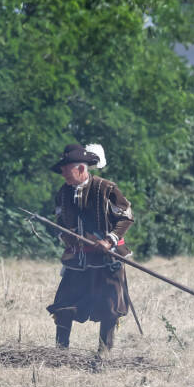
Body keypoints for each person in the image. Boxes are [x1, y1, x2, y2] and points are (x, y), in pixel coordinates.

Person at [45, 143, 134, 354]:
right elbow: (60, 223)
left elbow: (126, 218)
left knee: (109, 307)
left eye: (67, 170)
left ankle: (103, 354)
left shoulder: (108, 189)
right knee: (64, 305)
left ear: (82, 169)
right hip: (77, 260)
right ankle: (61, 353)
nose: (63, 174)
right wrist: (68, 238)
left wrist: (109, 240)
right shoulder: (63, 193)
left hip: (108, 259)